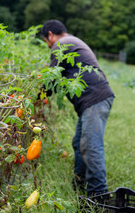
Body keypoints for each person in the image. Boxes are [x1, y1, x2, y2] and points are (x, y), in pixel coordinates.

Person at [40, 19, 115, 197]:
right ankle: (79, 183)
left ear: (50, 35)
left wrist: (36, 95)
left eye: (46, 41)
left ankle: (99, 196)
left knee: (90, 145)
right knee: (79, 142)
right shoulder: (72, 41)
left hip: (94, 99)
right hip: (94, 100)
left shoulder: (61, 44)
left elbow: (52, 78)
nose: (48, 46)